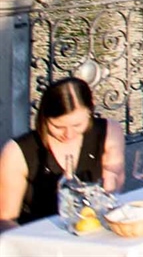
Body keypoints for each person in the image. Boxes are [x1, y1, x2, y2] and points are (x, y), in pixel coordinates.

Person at [0, 78, 125, 229]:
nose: (68, 133)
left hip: (93, 229)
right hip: (38, 236)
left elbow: (113, 189)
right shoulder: (17, 152)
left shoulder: (108, 132)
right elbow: (6, 220)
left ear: (90, 112)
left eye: (77, 125)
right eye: (58, 126)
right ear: (44, 118)